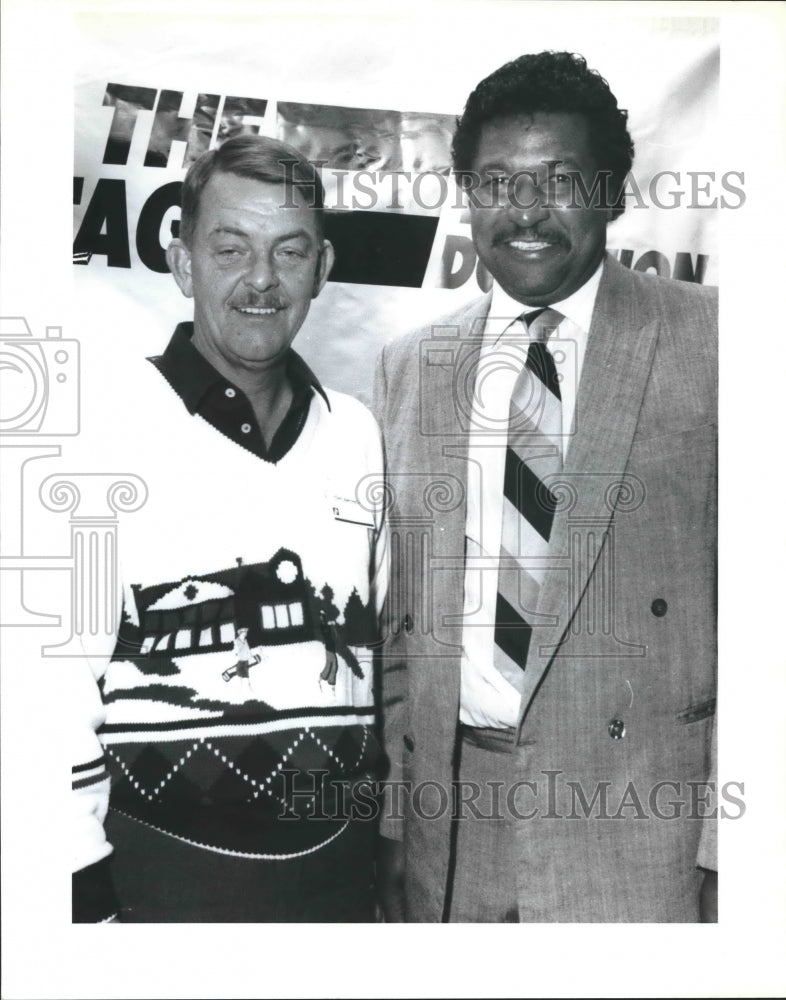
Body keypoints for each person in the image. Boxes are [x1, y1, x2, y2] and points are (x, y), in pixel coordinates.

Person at [374, 51, 717, 922]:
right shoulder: (411, 366)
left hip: (647, 833)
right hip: (453, 836)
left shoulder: (720, 345)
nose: (526, 212)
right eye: (497, 182)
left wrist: (730, 847)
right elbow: (396, 627)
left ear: (612, 190)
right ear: (467, 196)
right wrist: (393, 824)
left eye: (560, 179)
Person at [71, 134, 386, 922]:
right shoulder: (97, 428)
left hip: (339, 889)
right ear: (182, 262)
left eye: (289, 251)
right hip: (164, 887)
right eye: (230, 247)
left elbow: (372, 663)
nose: (261, 280)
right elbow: (37, 690)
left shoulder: (357, 434)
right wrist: (82, 905)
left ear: (322, 267)